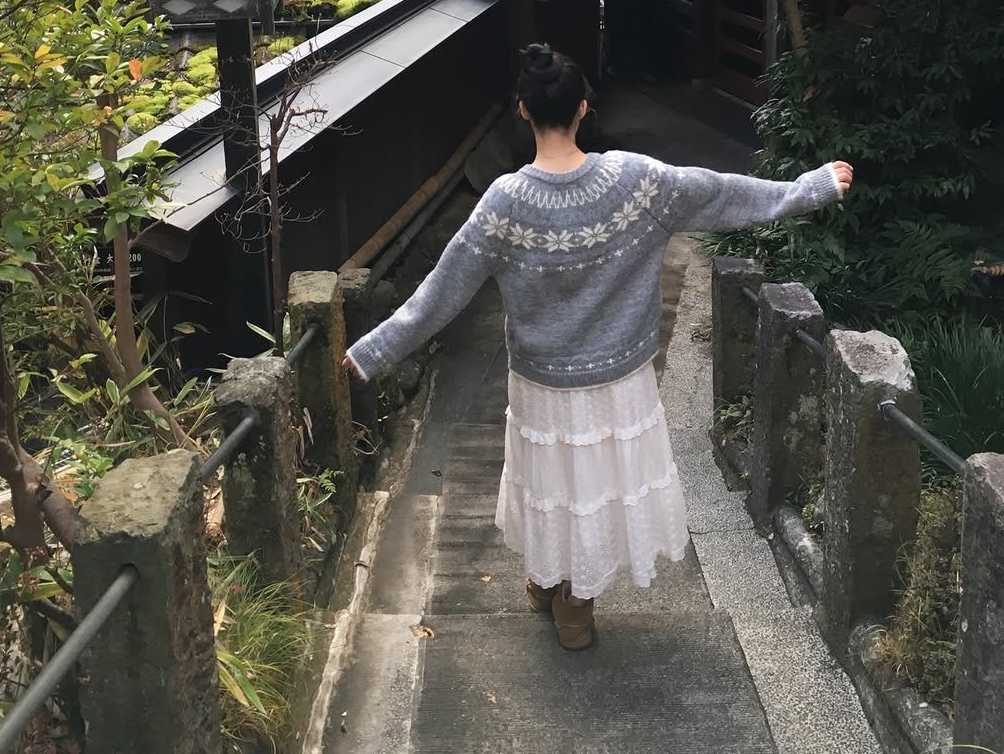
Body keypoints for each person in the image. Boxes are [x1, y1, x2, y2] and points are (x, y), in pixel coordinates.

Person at [344, 43, 853, 651]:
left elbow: (440, 293)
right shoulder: (638, 182)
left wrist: (370, 352)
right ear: (583, 109)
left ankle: (548, 580)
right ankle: (574, 607)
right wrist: (812, 186)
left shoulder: (502, 202)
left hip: (540, 381)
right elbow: (724, 194)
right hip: (619, 378)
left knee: (550, 480)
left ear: (524, 111)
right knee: (594, 486)